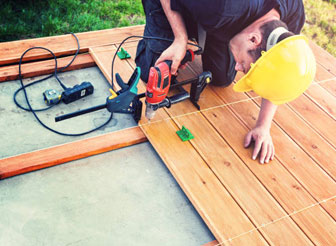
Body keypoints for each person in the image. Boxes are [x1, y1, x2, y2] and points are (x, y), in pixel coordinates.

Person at [135, 0, 315, 164]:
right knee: (153, 68)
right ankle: (191, 20)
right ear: (253, 40)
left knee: (221, 78)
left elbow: (279, 75)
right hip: (204, 8)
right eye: (244, 65)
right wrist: (180, 38)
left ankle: (198, 19)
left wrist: (263, 126)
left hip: (220, 15)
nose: (237, 67)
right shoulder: (221, 8)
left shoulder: (292, 14)